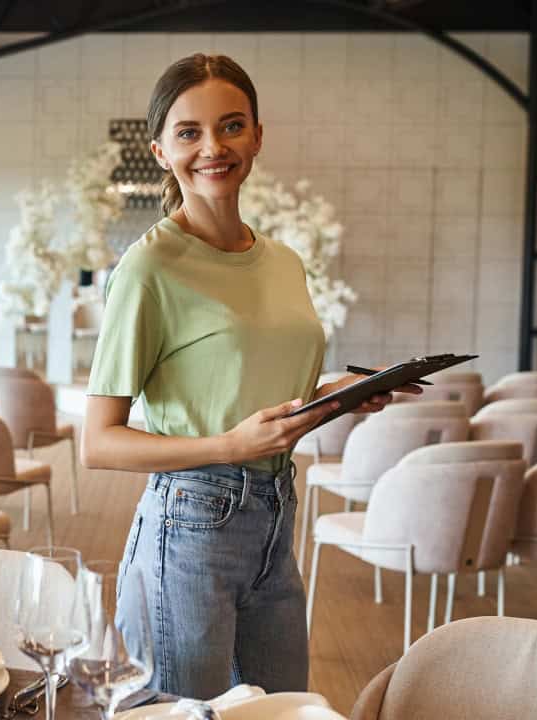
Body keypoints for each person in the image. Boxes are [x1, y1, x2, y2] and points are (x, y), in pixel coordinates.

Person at [80, 53, 419, 698]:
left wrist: (343, 396)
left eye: (232, 126)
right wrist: (228, 447)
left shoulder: (284, 262)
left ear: (257, 136)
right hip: (190, 522)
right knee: (188, 714)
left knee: (283, 709)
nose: (213, 147)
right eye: (189, 133)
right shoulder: (149, 268)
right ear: (160, 150)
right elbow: (99, 441)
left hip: (274, 515)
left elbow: (267, 404)